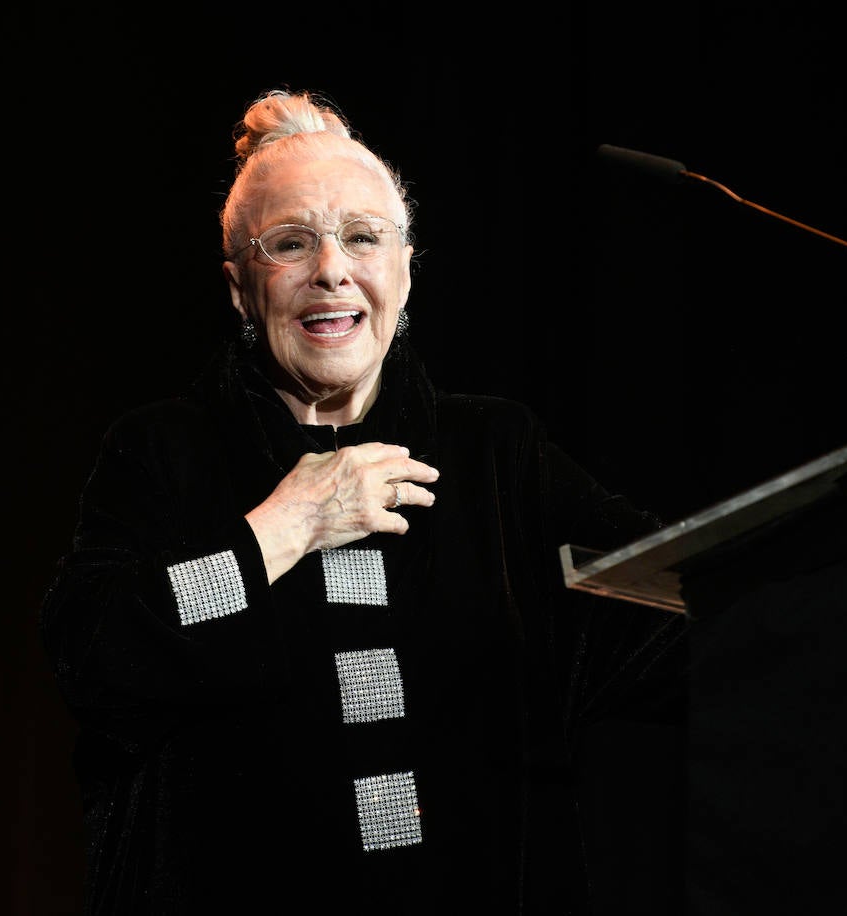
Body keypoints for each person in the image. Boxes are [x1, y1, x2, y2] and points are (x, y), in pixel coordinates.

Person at [40, 88, 688, 915]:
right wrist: (285, 527)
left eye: (361, 238)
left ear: (405, 271)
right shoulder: (163, 452)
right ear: (240, 288)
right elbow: (94, 659)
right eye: (291, 243)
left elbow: (675, 617)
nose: (332, 269)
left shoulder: (497, 455)